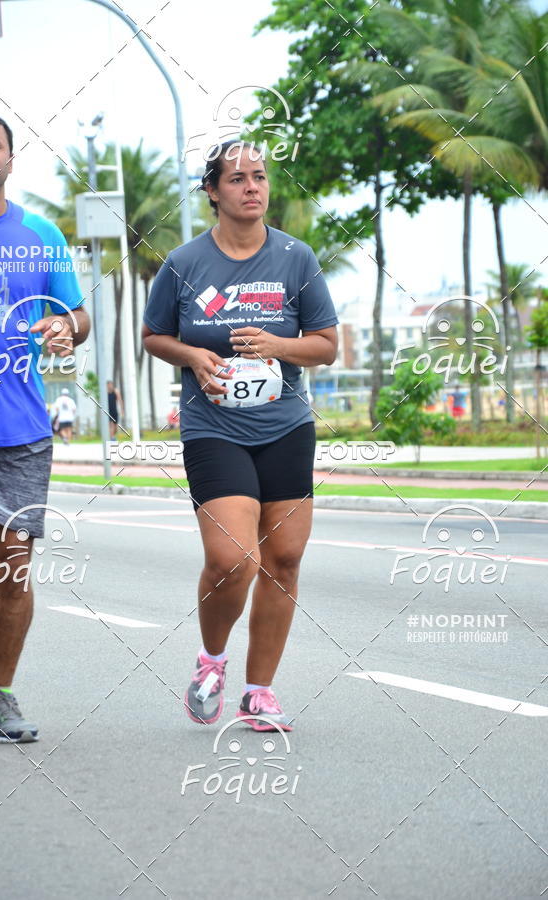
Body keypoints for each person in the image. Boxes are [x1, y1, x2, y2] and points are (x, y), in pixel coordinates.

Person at [142, 140, 338, 731]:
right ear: (212, 191)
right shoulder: (184, 263)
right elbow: (154, 337)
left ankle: (260, 693)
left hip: (285, 425)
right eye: (237, 179)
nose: (252, 187)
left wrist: (280, 346)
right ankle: (212, 660)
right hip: (213, 427)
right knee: (232, 558)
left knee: (284, 557)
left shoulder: (296, 258)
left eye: (259, 177)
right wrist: (193, 355)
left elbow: (327, 345)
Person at [0, 110, 90, 742]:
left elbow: (76, 315)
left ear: (11, 159)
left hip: (24, 426)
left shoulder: (40, 235)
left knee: (11, 568)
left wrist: (66, 329)